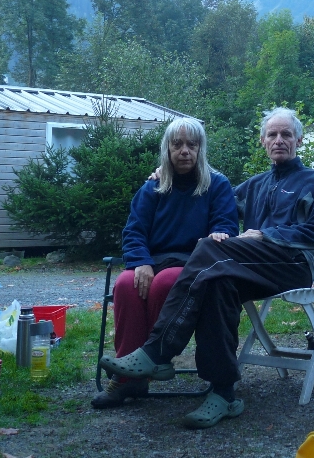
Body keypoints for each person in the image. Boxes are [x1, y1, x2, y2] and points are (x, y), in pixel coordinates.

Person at [99, 107, 314, 428]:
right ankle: (223, 392)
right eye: (273, 135)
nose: (279, 140)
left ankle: (157, 351)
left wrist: (266, 233)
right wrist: (165, 172)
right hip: (253, 266)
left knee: (208, 247)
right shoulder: (255, 184)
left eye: (286, 135)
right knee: (217, 283)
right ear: (263, 141)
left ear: (299, 140)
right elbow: (207, 192)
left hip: (293, 265)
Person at [91, 116, 238, 409]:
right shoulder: (154, 187)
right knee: (124, 285)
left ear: (200, 149)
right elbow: (134, 230)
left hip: (192, 262)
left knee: (165, 284)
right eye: (178, 144)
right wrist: (140, 262)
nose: (185, 151)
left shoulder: (216, 185)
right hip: (152, 259)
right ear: (167, 149)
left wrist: (217, 235)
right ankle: (128, 378)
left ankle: (157, 359)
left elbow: (225, 226)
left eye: (192, 145)